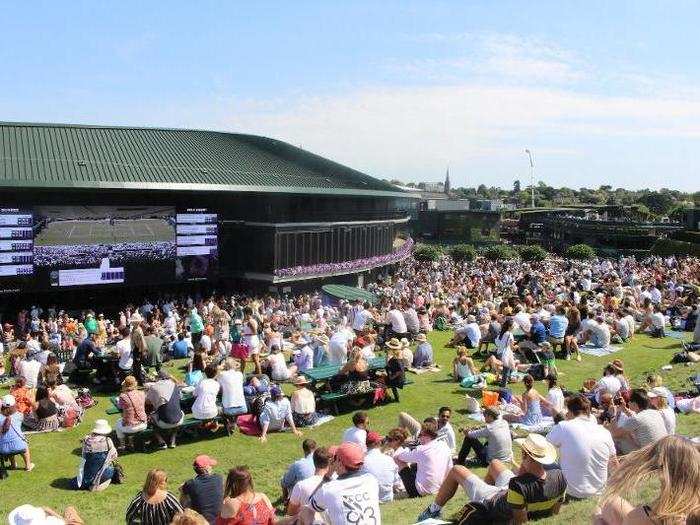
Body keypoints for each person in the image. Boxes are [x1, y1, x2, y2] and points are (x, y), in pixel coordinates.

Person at [417, 433, 567, 523]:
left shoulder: (518, 485)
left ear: (525, 455)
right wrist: (524, 464)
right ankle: (475, 496)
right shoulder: (560, 476)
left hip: (494, 500)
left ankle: (432, 510)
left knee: (457, 469)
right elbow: (554, 513)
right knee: (495, 463)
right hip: (513, 494)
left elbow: (519, 522)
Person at [594, 436, 700, 525]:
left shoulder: (641, 517)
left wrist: (598, 521)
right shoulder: (694, 509)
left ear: (660, 469)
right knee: (613, 502)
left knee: (605, 508)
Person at [546, 395, 618, 500]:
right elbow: (614, 464)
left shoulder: (564, 426)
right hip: (600, 492)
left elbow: (544, 447)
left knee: (544, 460)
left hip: (572, 493)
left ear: (570, 412)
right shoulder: (604, 432)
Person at [303, 443, 381, 525]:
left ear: (339, 463)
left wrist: (328, 475)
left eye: (335, 458)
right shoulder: (372, 480)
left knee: (307, 512)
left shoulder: (329, 489)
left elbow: (310, 505)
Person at [394, 421, 453, 497]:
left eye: (420, 435)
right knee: (415, 466)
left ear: (426, 435)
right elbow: (449, 468)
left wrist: (399, 447)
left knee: (398, 460)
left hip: (421, 492)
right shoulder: (444, 445)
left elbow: (400, 457)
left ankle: (401, 487)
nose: (418, 437)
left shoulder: (422, 449)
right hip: (441, 487)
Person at [608, 388, 668, 455]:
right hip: (661, 451)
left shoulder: (636, 419)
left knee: (619, 437)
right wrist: (624, 409)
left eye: (629, 401)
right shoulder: (655, 413)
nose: (628, 403)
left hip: (647, 456)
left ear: (635, 404)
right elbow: (638, 418)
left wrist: (613, 415)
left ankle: (618, 460)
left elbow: (615, 433)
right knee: (628, 434)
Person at [72, 419, 118, 491]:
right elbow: (114, 456)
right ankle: (97, 484)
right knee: (112, 470)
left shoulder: (86, 440)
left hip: (87, 474)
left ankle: (91, 483)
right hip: (103, 472)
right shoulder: (107, 441)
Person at [287, 447, 331, 520]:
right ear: (329, 463)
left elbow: (290, 514)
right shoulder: (336, 485)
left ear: (313, 461)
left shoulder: (300, 486)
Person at [146, 370, 185, 450]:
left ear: (157, 378)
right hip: (178, 421)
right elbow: (180, 396)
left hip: (164, 422)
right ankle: (173, 439)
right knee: (179, 412)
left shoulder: (154, 387)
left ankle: (161, 441)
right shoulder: (174, 385)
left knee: (150, 418)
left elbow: (147, 402)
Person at [180, 455, 224, 525]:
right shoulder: (218, 478)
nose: (211, 467)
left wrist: (182, 490)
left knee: (187, 499)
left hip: (201, 522)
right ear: (206, 468)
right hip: (220, 520)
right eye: (210, 465)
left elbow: (182, 498)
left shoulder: (190, 483)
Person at [363, 431, 403, 503]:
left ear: (366, 445)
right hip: (387, 498)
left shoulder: (362, 461)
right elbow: (397, 484)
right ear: (379, 443)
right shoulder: (389, 459)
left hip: (369, 500)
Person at [0, 394, 34, 471]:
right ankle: (28, 465)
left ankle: (13, 464)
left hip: (3, 449)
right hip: (19, 446)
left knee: (7, 440)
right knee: (23, 444)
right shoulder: (19, 415)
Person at [115, 375, 148, 450]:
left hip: (130, 427)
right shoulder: (142, 393)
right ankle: (131, 442)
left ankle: (122, 445)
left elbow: (120, 406)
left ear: (125, 385)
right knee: (127, 420)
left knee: (118, 423)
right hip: (143, 423)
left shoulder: (123, 396)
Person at [217, 358, 247, 431]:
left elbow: (215, 375)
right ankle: (233, 422)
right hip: (243, 408)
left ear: (225, 366)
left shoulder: (222, 374)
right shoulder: (240, 374)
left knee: (217, 406)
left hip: (229, 409)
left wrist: (221, 367)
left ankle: (230, 422)